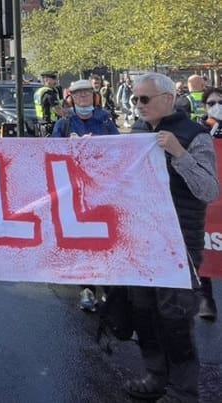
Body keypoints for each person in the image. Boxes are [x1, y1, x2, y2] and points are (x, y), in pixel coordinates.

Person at [123, 72, 219, 402]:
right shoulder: (136, 132)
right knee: (143, 312)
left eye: (144, 99)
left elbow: (208, 190)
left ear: (167, 98)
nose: (138, 105)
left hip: (178, 241)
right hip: (140, 239)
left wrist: (180, 154)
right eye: (135, 99)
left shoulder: (195, 134)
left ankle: (183, 391)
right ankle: (155, 375)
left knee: (175, 318)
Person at [51, 79, 119, 311]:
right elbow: (52, 152)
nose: (83, 98)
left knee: (105, 239)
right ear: (71, 99)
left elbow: (120, 148)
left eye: (87, 94)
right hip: (75, 188)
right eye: (78, 95)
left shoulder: (106, 121)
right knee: (82, 240)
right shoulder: (64, 124)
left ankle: (109, 288)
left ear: (94, 97)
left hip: (102, 187)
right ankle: (86, 288)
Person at [197, 86, 222, 320]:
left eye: (220, 102)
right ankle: (206, 298)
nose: (216, 107)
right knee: (204, 247)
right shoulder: (197, 130)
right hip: (208, 199)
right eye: (211, 103)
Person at [33, 71, 64, 136]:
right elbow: (59, 111)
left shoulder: (39, 91)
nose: (56, 81)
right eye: (54, 78)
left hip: (41, 124)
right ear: (46, 80)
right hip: (51, 126)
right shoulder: (49, 93)